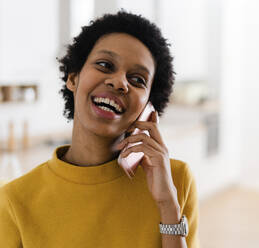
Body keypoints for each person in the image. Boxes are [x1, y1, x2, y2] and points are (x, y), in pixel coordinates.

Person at [0, 10, 199, 248]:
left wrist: (167, 204)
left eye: (137, 80)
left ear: (148, 105)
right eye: (105, 65)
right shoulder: (15, 200)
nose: (120, 82)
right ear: (73, 78)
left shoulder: (175, 181)